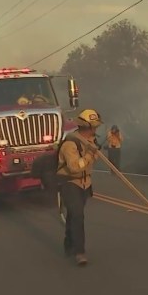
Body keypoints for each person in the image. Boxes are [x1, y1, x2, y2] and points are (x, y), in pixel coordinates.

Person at [57, 108, 102, 266]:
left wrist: (94, 152)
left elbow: (92, 160)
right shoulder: (70, 143)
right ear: (87, 127)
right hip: (70, 183)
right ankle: (80, 252)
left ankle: (69, 243)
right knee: (78, 215)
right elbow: (75, 167)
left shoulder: (91, 142)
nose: (96, 129)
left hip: (85, 183)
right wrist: (90, 154)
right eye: (94, 126)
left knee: (73, 215)